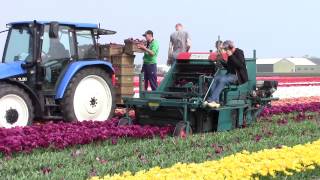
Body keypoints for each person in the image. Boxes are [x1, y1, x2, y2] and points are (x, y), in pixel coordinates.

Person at [204, 40, 248, 108]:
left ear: (230, 47)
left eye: (225, 49)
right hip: (230, 75)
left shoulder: (239, 52)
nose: (225, 51)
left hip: (237, 77)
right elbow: (229, 67)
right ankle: (216, 101)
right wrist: (221, 60)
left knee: (223, 79)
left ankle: (212, 100)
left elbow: (240, 65)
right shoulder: (230, 55)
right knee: (216, 78)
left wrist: (231, 55)